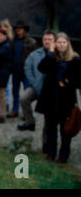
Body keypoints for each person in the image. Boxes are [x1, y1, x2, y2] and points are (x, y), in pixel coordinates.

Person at [36, 32, 80, 163]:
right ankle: (51, 153)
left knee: (65, 130)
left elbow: (79, 80)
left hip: (66, 100)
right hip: (51, 98)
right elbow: (41, 68)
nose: (61, 45)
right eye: (59, 42)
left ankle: (63, 155)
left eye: (64, 42)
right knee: (50, 128)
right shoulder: (52, 58)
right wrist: (50, 52)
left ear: (68, 44)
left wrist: (67, 82)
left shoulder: (75, 59)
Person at [17, 30, 56, 131]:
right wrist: (34, 83)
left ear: (54, 41)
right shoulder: (34, 54)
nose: (47, 41)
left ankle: (48, 131)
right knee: (23, 98)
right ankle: (30, 122)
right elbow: (27, 69)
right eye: (45, 39)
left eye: (50, 39)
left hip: (52, 89)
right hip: (36, 85)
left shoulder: (58, 54)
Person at [8, 20, 38, 118]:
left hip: (26, 72)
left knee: (26, 94)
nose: (18, 31)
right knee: (15, 92)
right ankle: (15, 110)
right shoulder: (13, 41)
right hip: (15, 70)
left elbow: (34, 58)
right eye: (16, 29)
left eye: (20, 29)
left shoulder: (32, 42)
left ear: (24, 30)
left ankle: (26, 113)